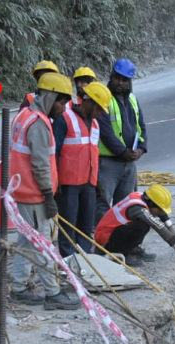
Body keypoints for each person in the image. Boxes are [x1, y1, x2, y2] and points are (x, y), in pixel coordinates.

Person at [8, 72, 81, 310]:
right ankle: (53, 293)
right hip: (34, 195)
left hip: (23, 192)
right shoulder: (38, 123)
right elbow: (40, 165)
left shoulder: (24, 115)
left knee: (27, 243)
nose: (63, 109)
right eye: (61, 102)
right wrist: (49, 197)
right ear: (50, 97)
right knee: (44, 245)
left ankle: (18, 289)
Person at [52, 81, 111, 257]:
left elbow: (94, 154)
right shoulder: (65, 118)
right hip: (68, 184)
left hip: (89, 184)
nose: (100, 114)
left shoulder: (95, 124)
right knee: (68, 225)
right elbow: (53, 151)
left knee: (86, 226)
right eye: (99, 108)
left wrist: (97, 181)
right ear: (89, 102)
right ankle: (69, 261)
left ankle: (84, 259)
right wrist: (55, 181)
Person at [96, 58, 147, 227]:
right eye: (117, 77)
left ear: (129, 81)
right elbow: (104, 130)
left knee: (126, 205)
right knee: (102, 204)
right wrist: (122, 151)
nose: (119, 82)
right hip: (108, 162)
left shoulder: (132, 99)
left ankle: (122, 245)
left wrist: (141, 148)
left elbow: (140, 125)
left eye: (124, 79)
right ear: (111, 76)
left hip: (129, 162)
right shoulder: (104, 98)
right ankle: (102, 245)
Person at [94, 185, 175, 267]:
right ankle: (122, 254)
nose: (160, 212)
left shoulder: (140, 197)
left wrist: (170, 226)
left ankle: (131, 249)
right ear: (152, 203)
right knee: (142, 225)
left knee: (141, 223)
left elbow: (159, 211)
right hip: (105, 242)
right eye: (159, 209)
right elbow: (158, 226)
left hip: (111, 235)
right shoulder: (137, 209)